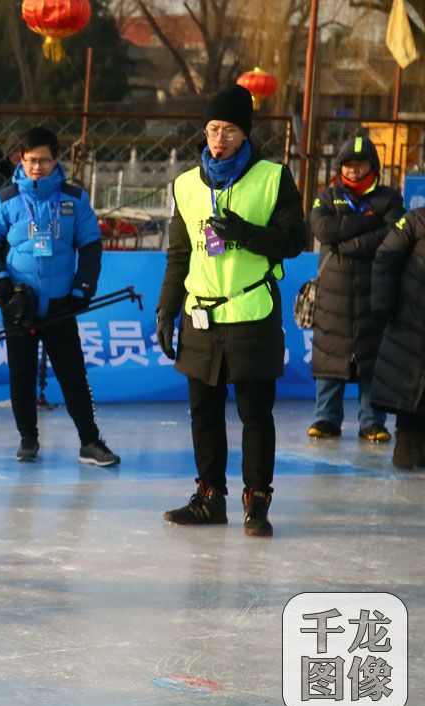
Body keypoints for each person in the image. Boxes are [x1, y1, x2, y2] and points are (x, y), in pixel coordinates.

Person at [156, 84, 307, 536]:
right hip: (201, 315)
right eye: (213, 129)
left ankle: (256, 501)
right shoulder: (186, 185)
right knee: (203, 411)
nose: (219, 139)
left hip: (251, 312)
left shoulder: (273, 178)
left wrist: (246, 234)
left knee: (255, 414)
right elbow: (179, 255)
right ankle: (210, 498)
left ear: (245, 134)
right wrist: (167, 310)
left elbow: (295, 241)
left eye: (229, 130)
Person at [0, 126, 120, 467]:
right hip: (18, 304)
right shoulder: (5, 199)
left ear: (56, 160)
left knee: (72, 374)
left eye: (45, 160)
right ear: (20, 160)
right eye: (32, 160)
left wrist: (83, 289)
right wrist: (1, 283)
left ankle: (90, 441)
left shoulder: (74, 198)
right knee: (21, 374)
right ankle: (28, 438)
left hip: (60, 304)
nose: (38, 167)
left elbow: (91, 247)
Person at [307, 136, 403, 443]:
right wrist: (368, 223)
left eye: (360, 164)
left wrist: (348, 240)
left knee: (372, 360)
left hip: (374, 291)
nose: (353, 170)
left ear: (372, 166)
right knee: (328, 357)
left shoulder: (390, 198)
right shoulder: (327, 197)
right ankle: (326, 418)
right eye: (347, 165)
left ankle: (372, 422)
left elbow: (393, 235)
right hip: (332, 295)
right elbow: (323, 230)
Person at [370, 207, 425, 470]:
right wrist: (383, 303)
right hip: (411, 318)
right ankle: (406, 438)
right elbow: (386, 258)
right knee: (408, 383)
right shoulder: (416, 220)